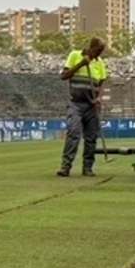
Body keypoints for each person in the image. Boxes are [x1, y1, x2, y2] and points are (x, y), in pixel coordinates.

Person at [58, 37, 108, 177]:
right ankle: (65, 167)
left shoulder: (100, 63)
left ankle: (87, 168)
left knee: (91, 138)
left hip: (92, 105)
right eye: (98, 50)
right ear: (91, 47)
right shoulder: (75, 55)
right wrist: (81, 64)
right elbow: (64, 76)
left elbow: (102, 83)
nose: (99, 54)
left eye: (101, 51)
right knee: (73, 133)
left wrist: (98, 98)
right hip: (76, 104)